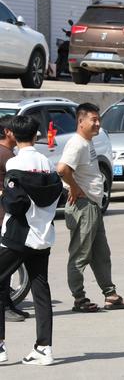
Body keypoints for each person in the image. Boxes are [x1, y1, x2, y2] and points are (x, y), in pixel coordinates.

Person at [57, 103, 124, 313]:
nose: (98, 123)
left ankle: (110, 295)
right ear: (81, 121)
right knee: (80, 256)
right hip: (83, 207)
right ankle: (79, 299)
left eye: (98, 119)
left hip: (93, 206)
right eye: (93, 120)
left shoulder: (87, 142)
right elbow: (62, 169)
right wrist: (75, 188)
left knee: (101, 253)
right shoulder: (77, 144)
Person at [0, 115, 63, 366]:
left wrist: (5, 194)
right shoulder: (47, 164)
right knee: (40, 290)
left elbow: (16, 204)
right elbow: (57, 192)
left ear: (13, 135)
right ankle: (43, 348)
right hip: (43, 233)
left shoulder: (16, 163)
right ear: (36, 136)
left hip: (19, 234)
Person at [0, 117, 28, 323]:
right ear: (8, 132)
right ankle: (4, 308)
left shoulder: (9, 154)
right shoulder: (4, 154)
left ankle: (8, 304)